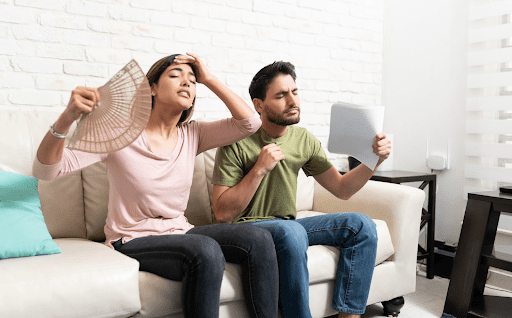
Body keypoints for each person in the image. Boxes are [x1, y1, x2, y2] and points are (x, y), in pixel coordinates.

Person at [33, 53, 279, 318]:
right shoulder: (120, 133)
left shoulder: (193, 134)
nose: (186, 83)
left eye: (192, 80)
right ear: (151, 88)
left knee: (259, 238)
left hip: (180, 232)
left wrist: (209, 79)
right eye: (175, 76)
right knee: (205, 250)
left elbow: (250, 123)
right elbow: (47, 169)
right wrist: (67, 117)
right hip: (131, 239)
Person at [212, 61, 391, 318]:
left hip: (286, 227)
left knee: (361, 226)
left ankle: (349, 316)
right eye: (281, 95)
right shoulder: (235, 140)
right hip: (244, 230)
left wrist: (374, 160)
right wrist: (259, 169)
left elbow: (342, 189)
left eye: (294, 92)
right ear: (259, 105)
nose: (292, 101)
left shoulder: (302, 139)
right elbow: (222, 214)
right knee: (291, 230)